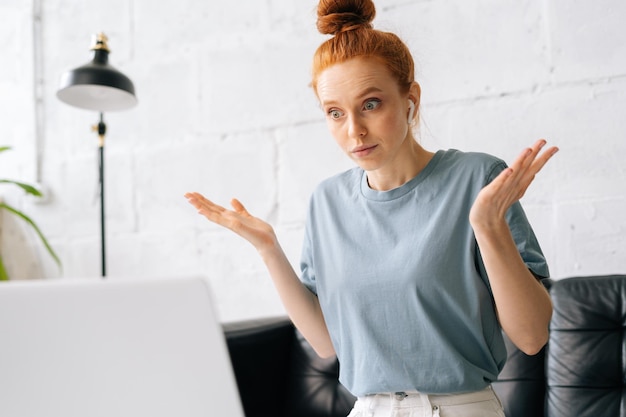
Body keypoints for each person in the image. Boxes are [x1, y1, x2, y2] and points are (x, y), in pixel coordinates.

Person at [185, 0, 558, 415]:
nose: (354, 131)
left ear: (410, 98)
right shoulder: (327, 202)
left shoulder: (477, 178)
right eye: (334, 113)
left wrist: (488, 227)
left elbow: (531, 336)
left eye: (371, 104)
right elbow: (326, 342)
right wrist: (268, 249)